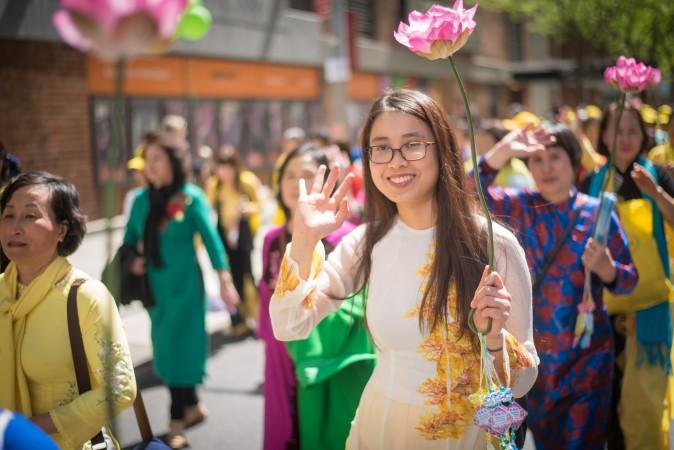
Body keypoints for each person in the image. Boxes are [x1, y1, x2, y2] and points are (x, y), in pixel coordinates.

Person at [270, 89, 538, 449]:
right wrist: (303, 238)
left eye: (413, 145)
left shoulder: (494, 245)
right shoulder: (365, 245)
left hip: (466, 436)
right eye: (381, 147)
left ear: (443, 149)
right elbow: (289, 325)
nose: (395, 161)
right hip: (381, 428)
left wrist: (493, 341)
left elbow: (521, 381)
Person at [473, 123, 637, 449]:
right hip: (528, 362)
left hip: (586, 362)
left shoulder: (598, 214)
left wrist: (608, 269)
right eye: (536, 159)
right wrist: (504, 149)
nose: (545, 167)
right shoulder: (517, 206)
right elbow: (465, 192)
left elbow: (629, 281)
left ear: (575, 162)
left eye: (555, 157)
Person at [0, 172, 136, 449]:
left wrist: (27, 431)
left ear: (61, 230)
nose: (14, 227)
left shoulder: (86, 296)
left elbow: (120, 388)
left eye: (30, 216)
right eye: (8, 214)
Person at [123, 136, 240, 449]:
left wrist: (225, 280)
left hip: (187, 286)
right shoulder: (140, 201)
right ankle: (193, 405)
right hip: (155, 289)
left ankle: (176, 420)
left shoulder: (191, 197)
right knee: (166, 348)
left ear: (174, 162)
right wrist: (132, 260)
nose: (151, 165)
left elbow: (211, 239)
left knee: (182, 346)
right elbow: (130, 239)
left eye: (158, 158)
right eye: (148, 159)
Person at [257, 143, 374, 450]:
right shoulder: (272, 238)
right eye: (289, 175)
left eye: (307, 175)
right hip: (281, 352)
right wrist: (268, 337)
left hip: (329, 355)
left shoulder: (346, 236)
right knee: (284, 429)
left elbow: (356, 301)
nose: (297, 184)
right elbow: (264, 294)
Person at [582, 102, 674, 450]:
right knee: (604, 406)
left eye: (633, 131)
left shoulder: (657, 174)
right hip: (601, 310)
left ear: (644, 136)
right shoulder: (591, 181)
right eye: (617, 130)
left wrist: (655, 191)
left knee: (646, 408)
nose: (625, 138)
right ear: (604, 135)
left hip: (651, 308)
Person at [206, 145, 260, 334]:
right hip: (224, 235)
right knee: (229, 277)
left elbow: (260, 205)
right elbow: (207, 209)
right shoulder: (215, 185)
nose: (224, 172)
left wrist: (248, 210)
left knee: (246, 276)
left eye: (228, 167)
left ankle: (254, 315)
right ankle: (236, 319)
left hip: (243, 235)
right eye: (221, 167)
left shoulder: (247, 181)